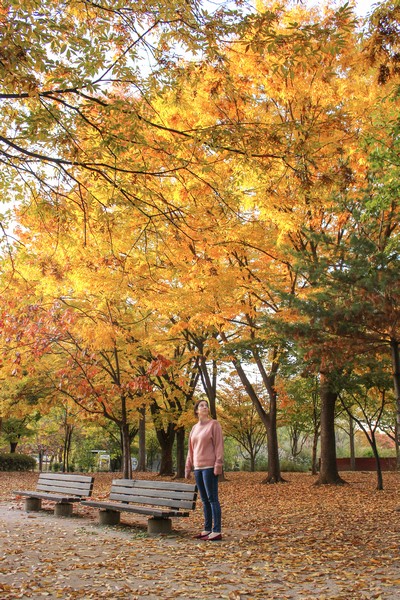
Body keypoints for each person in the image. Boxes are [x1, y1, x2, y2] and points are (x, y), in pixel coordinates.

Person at [185, 399, 224, 541]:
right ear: (196, 411)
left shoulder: (214, 425)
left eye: (206, 405)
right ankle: (207, 529)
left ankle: (217, 530)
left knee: (212, 499)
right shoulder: (194, 429)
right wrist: (188, 467)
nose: (205, 407)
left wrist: (218, 464)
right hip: (198, 468)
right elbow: (191, 450)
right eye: (202, 405)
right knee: (204, 500)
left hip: (209, 467)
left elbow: (219, 446)